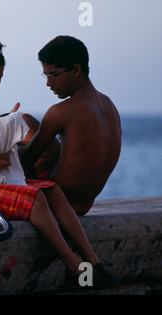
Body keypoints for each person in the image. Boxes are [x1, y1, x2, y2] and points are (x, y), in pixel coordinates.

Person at [0, 38, 118, 287]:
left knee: (51, 189)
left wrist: (10, 128)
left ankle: (94, 263)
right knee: (35, 197)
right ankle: (74, 266)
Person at [20, 36, 122, 215]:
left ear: (75, 70)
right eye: (45, 75)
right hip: (85, 203)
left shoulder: (61, 111)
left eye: (53, 75)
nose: (48, 83)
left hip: (59, 201)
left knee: (22, 121)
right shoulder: (109, 105)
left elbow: (27, 158)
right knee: (25, 123)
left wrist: (8, 147)